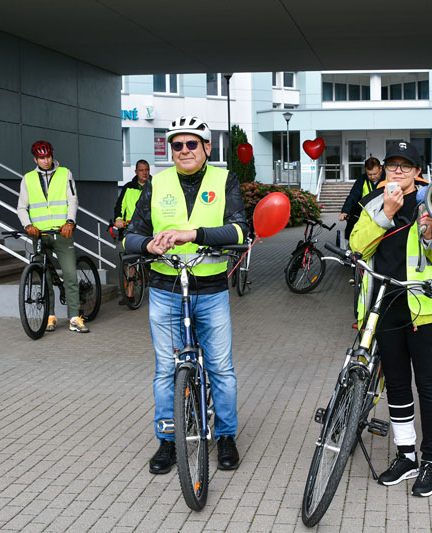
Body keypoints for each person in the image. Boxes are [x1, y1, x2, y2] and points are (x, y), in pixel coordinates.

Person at [124, 116, 248, 475]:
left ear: (207, 148)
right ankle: (168, 440)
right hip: (165, 290)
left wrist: (193, 233)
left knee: (221, 369)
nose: (184, 151)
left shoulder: (224, 180)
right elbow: (131, 234)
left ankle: (225, 436)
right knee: (166, 370)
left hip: (210, 291)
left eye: (192, 143)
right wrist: (147, 244)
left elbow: (240, 229)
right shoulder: (157, 183)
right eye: (176, 145)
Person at [350, 140, 432, 497]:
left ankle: (430, 462)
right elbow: (357, 246)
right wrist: (385, 214)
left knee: (429, 386)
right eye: (392, 165)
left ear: (417, 172)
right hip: (386, 306)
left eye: (405, 165)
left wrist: (428, 232)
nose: (397, 171)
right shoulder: (372, 203)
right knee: (396, 384)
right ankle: (406, 455)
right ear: (384, 171)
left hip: (427, 309)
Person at [16, 140, 88, 333]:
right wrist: (28, 225)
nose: (46, 161)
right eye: (41, 158)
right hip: (39, 235)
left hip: (61, 233)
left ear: (52, 155)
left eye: (47, 156)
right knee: (44, 277)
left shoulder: (65, 173)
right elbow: (22, 207)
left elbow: (72, 199)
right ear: (35, 159)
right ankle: (50, 316)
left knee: (70, 275)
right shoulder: (28, 179)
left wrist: (70, 222)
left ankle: (75, 317)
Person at [113, 160, 151, 304]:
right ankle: (129, 294)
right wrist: (118, 219)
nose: (145, 172)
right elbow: (120, 206)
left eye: (147, 169)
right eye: (141, 170)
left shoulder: (155, 186)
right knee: (131, 260)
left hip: (150, 228)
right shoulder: (128, 188)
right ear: (136, 172)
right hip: (132, 228)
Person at [339, 157, 383, 243]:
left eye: (375, 174)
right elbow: (353, 196)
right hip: (366, 214)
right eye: (369, 174)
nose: (372, 177)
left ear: (380, 168)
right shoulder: (362, 179)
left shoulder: (388, 178)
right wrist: (345, 211)